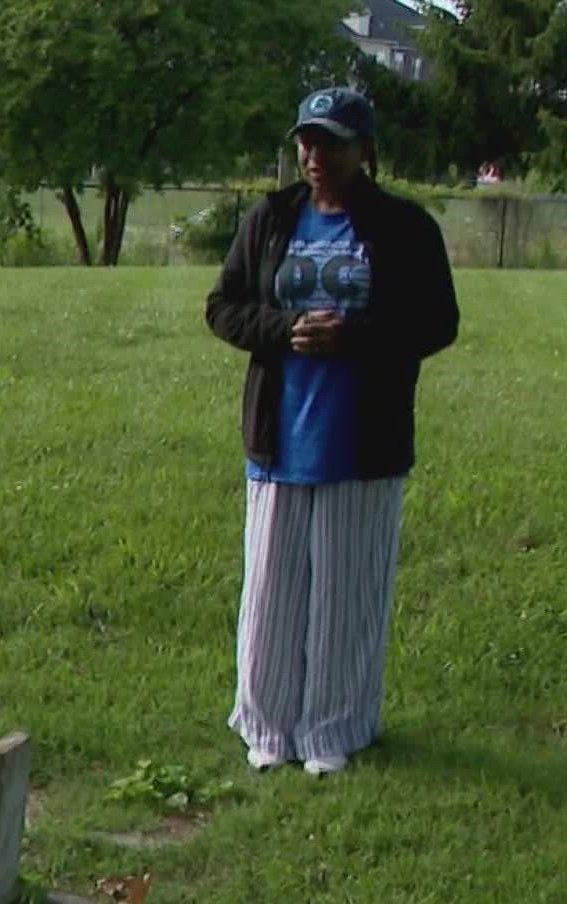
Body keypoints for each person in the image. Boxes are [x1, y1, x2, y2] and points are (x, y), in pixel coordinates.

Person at [203, 87, 459, 777]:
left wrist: (354, 337)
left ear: (365, 150)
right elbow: (224, 307)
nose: (317, 155)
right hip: (279, 435)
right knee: (271, 594)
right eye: (308, 142)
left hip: (361, 439)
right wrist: (285, 329)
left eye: (334, 142)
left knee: (347, 592)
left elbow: (437, 323)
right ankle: (267, 725)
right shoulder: (271, 218)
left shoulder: (404, 227)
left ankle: (334, 729)